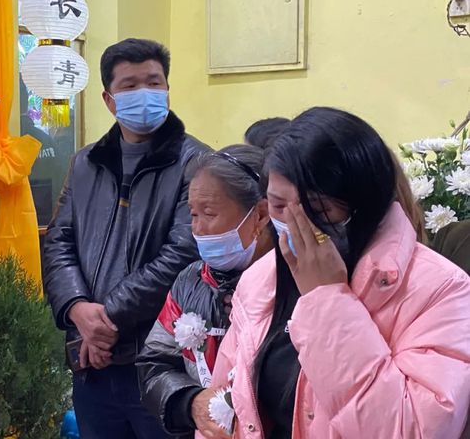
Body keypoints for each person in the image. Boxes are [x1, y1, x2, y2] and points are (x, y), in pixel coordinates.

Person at [192, 107, 470, 439]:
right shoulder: (260, 279)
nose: (295, 223)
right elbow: (229, 404)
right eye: (279, 206)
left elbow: (413, 430)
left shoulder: (441, 289)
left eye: (318, 210)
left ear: (363, 207)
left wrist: (326, 300)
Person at [43, 38, 210, 438]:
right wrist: (77, 309)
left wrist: (105, 320)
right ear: (109, 99)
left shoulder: (198, 163)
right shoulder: (85, 163)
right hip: (93, 364)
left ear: (167, 89)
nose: (144, 93)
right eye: (130, 85)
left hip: (160, 362)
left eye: (153, 82)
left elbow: (183, 253)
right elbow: (58, 242)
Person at [137, 144, 273, 438]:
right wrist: (190, 402)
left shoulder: (293, 286)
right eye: (193, 214)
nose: (196, 229)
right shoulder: (191, 281)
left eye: (208, 213)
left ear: (261, 214)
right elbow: (155, 361)